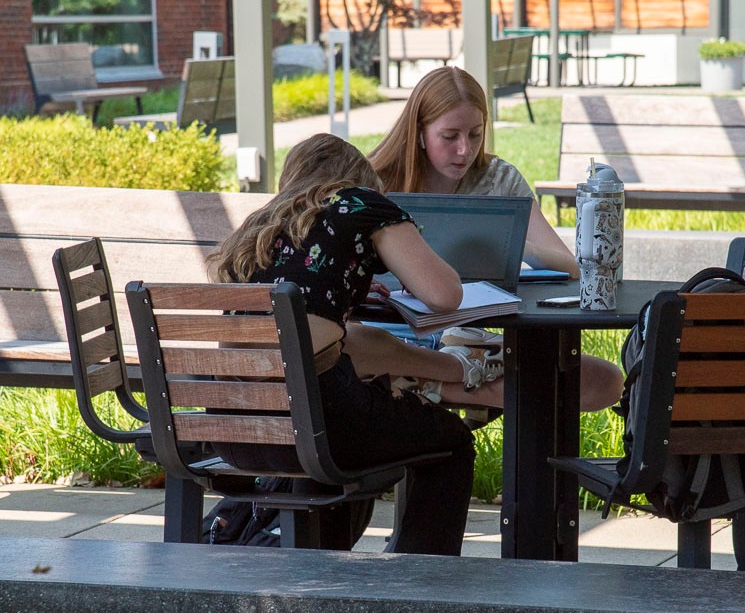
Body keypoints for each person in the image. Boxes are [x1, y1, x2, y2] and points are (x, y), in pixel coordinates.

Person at [208, 133, 498, 555]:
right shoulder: (360, 202)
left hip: (233, 428)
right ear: (358, 176)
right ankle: (423, 583)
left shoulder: (262, 224)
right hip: (319, 426)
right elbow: (443, 295)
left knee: (357, 378)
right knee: (450, 440)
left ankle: (318, 568)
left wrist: (351, 286)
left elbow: (300, 287)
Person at [367, 66, 624, 414]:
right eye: (450, 136)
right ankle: (435, 379)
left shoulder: (498, 179)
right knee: (369, 352)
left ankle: (418, 383)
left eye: (475, 134)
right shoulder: (373, 182)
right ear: (419, 132)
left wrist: (508, 243)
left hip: (462, 339)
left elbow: (568, 266)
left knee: (605, 380)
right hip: (387, 333)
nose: (464, 150)